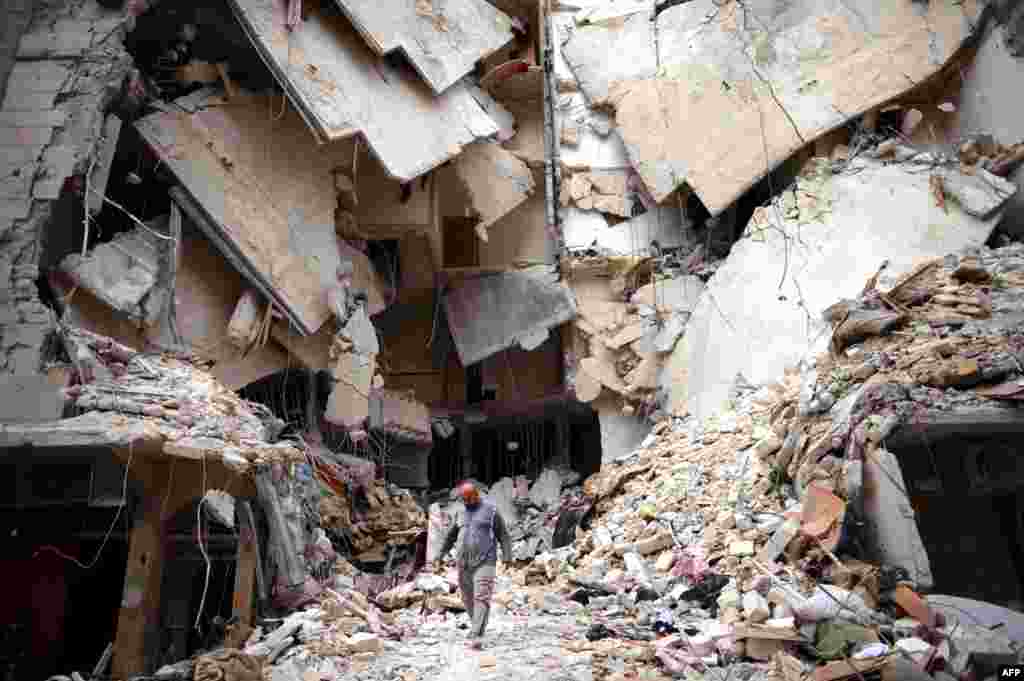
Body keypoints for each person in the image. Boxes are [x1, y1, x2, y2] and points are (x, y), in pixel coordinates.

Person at [434, 481, 513, 649]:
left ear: (477, 494)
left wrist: (507, 556)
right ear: (462, 499)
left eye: (473, 497)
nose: (470, 501)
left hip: (486, 560)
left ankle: (475, 631)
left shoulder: (491, 511)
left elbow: (504, 535)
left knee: (482, 596)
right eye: (466, 499)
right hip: (464, 563)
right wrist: (439, 555)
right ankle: (479, 627)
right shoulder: (460, 514)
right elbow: (449, 538)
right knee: (467, 598)